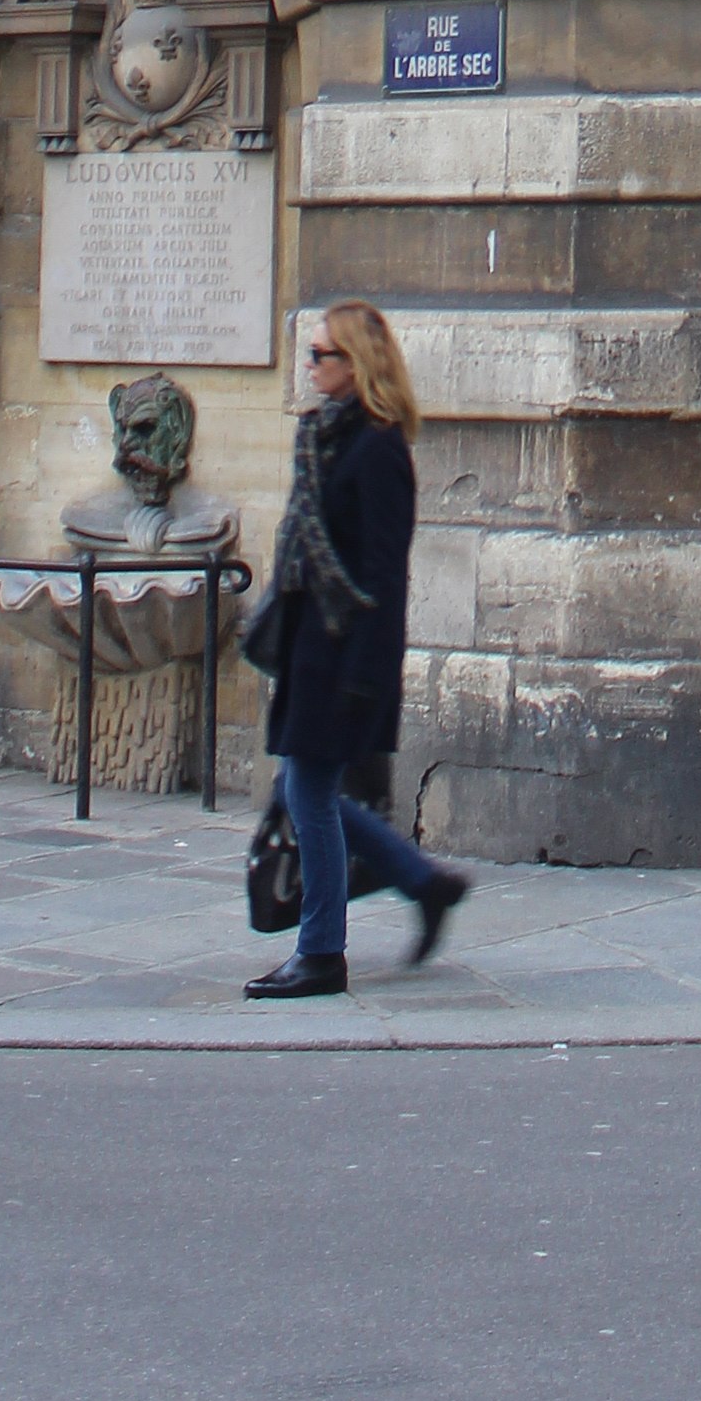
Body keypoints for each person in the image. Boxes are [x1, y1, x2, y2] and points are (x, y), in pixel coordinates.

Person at [243, 299, 469, 997]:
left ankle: (321, 951)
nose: (309, 366)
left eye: (320, 355)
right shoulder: (323, 438)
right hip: (308, 647)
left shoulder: (378, 450)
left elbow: (383, 573)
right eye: (311, 353)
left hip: (344, 659)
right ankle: (423, 881)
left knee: (307, 791)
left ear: (356, 363)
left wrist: (366, 678)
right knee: (299, 786)